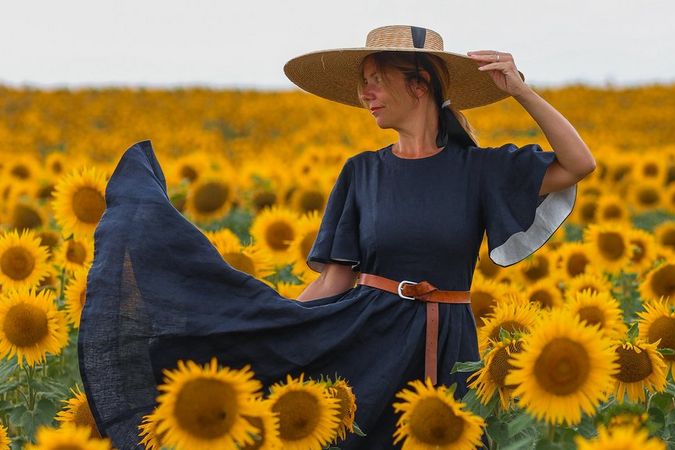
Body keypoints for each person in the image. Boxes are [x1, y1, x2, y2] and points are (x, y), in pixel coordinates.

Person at [78, 24, 593, 449]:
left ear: (419, 85)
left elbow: (578, 163)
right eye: (362, 81)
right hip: (367, 343)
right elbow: (335, 280)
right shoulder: (361, 172)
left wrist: (521, 90)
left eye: (375, 79)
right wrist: (273, 329)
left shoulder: (479, 169)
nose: (363, 93)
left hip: (448, 339)